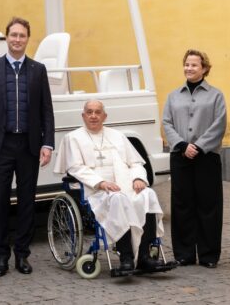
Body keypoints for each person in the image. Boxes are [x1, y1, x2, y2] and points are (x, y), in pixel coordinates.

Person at [0, 16, 54, 277]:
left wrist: (47, 143)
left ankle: (22, 254)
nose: (17, 39)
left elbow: (46, 110)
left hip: (28, 146)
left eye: (22, 35)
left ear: (27, 39)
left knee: (27, 202)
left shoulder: (38, 70)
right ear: (6, 38)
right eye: (13, 35)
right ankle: (1, 256)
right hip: (0, 146)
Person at [54, 100, 174, 275]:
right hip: (97, 192)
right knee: (118, 199)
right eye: (89, 112)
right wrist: (101, 183)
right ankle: (126, 257)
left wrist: (138, 178)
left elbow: (135, 162)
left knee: (147, 195)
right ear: (83, 115)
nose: (93, 116)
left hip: (125, 186)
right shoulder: (73, 138)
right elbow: (75, 168)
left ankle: (144, 256)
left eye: (97, 112)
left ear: (104, 116)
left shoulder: (118, 136)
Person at [162, 49, 227, 268]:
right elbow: (166, 122)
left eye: (194, 65)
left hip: (206, 157)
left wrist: (198, 146)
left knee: (209, 206)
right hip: (180, 156)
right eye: (187, 64)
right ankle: (184, 254)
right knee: (182, 205)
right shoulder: (173, 96)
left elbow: (219, 124)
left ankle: (209, 255)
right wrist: (181, 145)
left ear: (205, 68)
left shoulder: (215, 95)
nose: (189, 68)